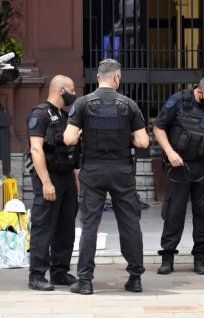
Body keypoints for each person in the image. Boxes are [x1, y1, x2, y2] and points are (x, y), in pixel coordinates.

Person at [63, 59, 150, 295]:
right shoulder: (129, 105)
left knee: (90, 225)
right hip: (121, 171)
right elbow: (143, 142)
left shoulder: (82, 103)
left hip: (92, 171)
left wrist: (83, 131)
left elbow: (69, 139)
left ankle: (85, 281)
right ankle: (135, 277)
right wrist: (126, 137)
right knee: (130, 224)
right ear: (117, 78)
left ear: (98, 77)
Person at [153, 75, 204, 275]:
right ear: (199, 91)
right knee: (174, 212)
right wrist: (170, 153)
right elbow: (158, 128)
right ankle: (167, 257)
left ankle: (200, 258)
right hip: (179, 165)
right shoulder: (178, 101)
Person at [27, 75, 80, 291]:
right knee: (43, 227)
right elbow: (36, 149)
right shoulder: (40, 114)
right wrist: (46, 183)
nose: (74, 94)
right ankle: (37, 275)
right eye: (71, 89)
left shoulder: (65, 115)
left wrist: (75, 180)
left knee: (65, 227)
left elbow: (69, 151)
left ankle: (59, 272)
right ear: (60, 90)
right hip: (48, 177)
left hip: (66, 176)